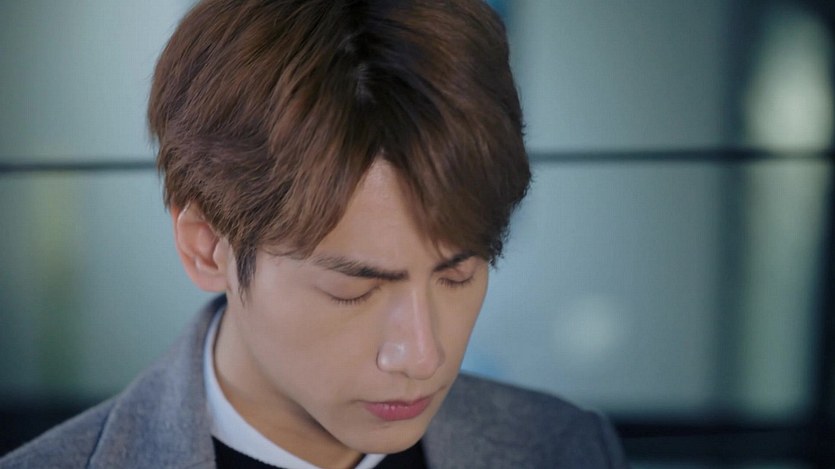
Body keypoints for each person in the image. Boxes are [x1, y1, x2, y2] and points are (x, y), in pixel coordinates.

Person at [0, 0, 628, 467]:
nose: (423, 355)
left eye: (457, 275)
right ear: (207, 247)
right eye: (354, 290)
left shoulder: (562, 448)